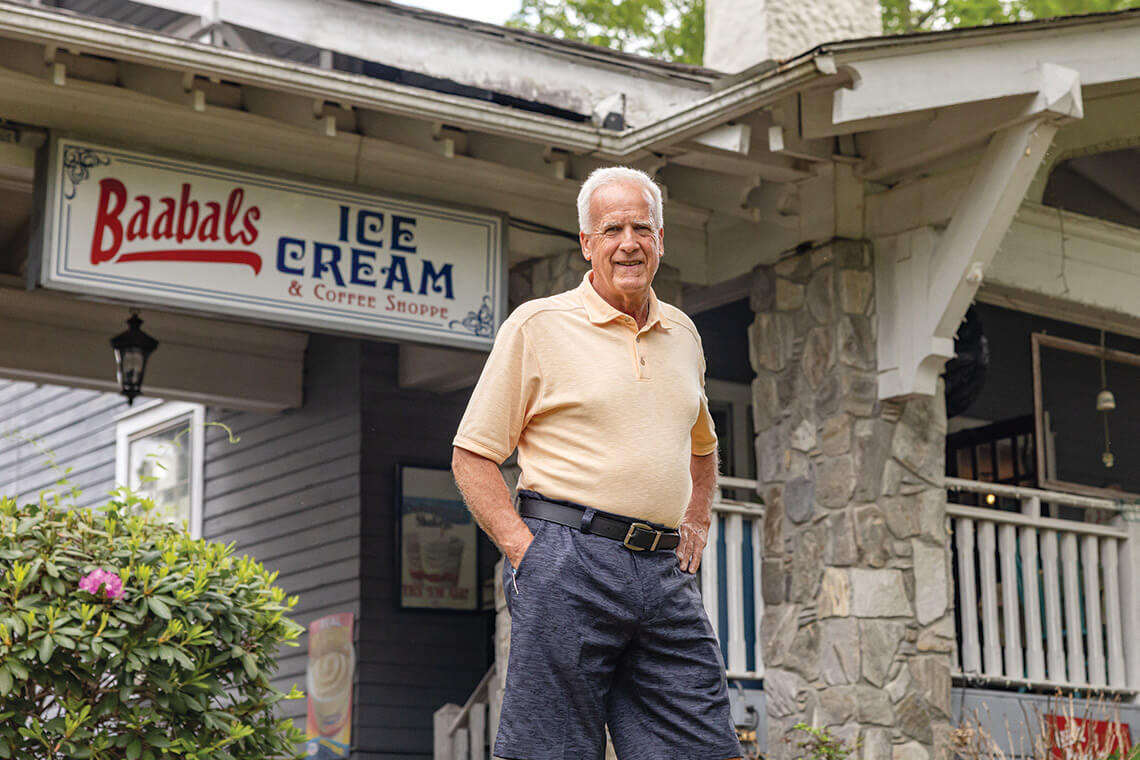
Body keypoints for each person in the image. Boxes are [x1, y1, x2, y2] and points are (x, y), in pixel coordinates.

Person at [452, 166, 743, 760]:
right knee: (551, 751)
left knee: (700, 745)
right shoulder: (538, 325)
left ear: (661, 239)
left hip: (664, 572)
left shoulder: (684, 335)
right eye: (611, 229)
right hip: (567, 558)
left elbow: (702, 444)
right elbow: (473, 454)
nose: (628, 242)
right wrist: (525, 551)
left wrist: (697, 520)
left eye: (642, 227)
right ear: (587, 244)